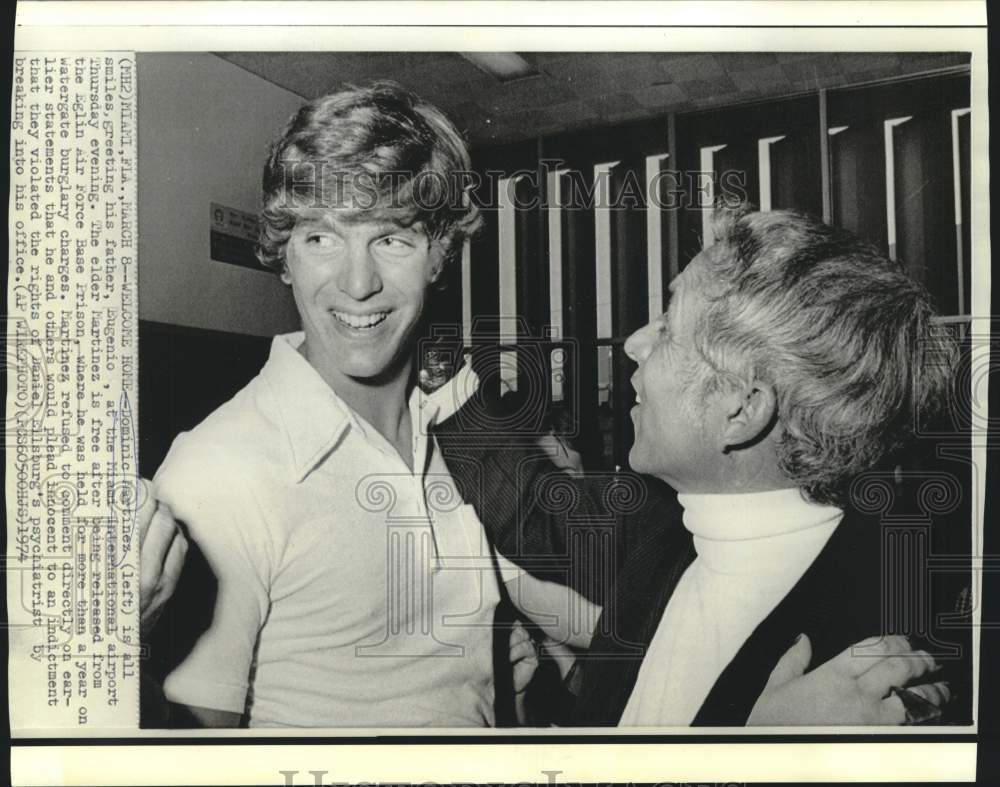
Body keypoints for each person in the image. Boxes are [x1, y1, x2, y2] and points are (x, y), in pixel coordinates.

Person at [138, 83, 950, 728]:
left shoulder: (885, 646)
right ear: (282, 256)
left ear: (441, 255)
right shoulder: (218, 469)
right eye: (320, 237)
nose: (355, 283)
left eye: (392, 237)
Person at [439, 203, 960, 726]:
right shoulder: (671, 524)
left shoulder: (878, 650)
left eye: (667, 328)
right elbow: (534, 510)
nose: (635, 343)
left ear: (742, 410)